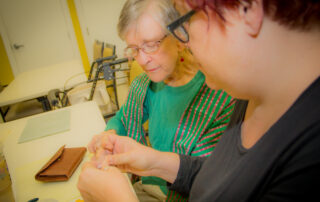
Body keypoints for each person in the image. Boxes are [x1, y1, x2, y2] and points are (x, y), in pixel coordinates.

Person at [78, 0, 320, 201]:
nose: (186, 43)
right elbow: (223, 179)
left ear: (247, 8)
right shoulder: (249, 96)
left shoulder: (309, 151)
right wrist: (155, 163)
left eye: (186, 22)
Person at [87, 0, 234, 201]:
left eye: (150, 45)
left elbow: (212, 179)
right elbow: (123, 119)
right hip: (149, 188)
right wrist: (109, 135)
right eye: (134, 49)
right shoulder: (145, 85)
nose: (141, 60)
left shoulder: (220, 98)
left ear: (180, 35)